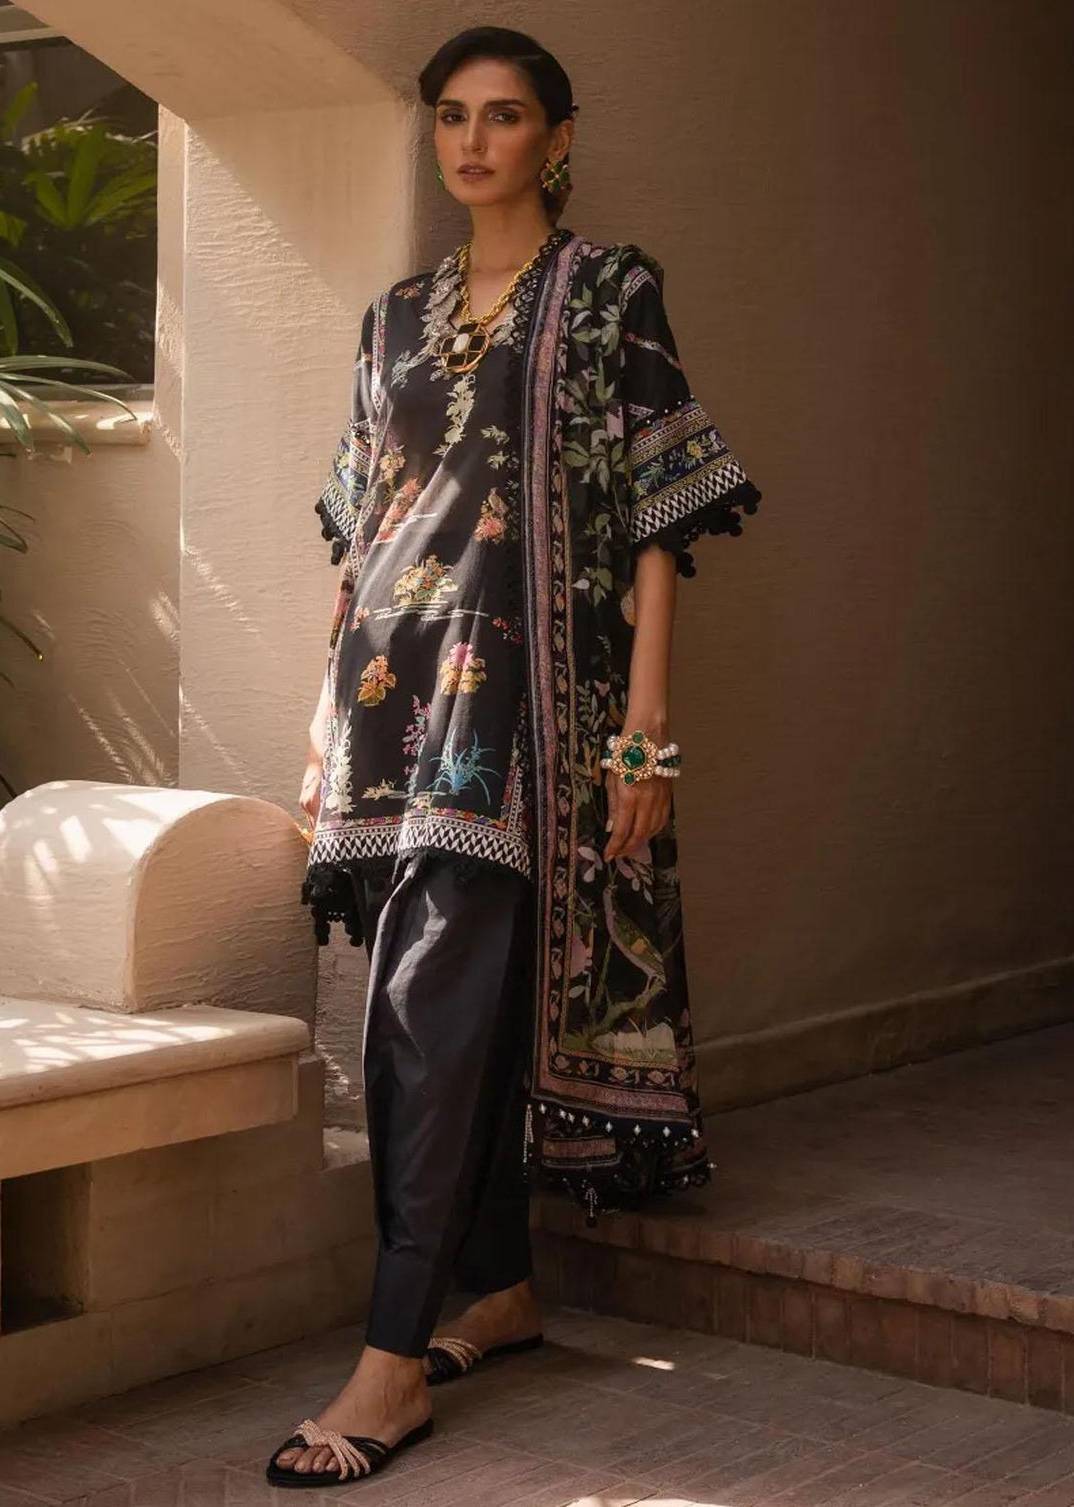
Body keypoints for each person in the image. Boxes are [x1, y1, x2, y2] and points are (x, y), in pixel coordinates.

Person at [266, 24, 762, 1490]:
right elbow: (365, 528)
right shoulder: (392, 320)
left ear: (557, 136)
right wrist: (321, 715)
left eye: (504, 116)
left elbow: (662, 514)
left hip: (532, 714)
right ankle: (495, 1290)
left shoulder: (610, 293)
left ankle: (389, 1364)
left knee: (425, 1010)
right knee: (423, 1012)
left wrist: (646, 732)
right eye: (452, 117)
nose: (473, 141)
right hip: (390, 705)